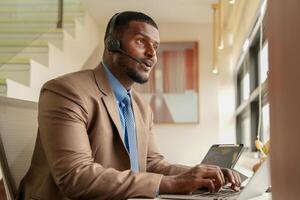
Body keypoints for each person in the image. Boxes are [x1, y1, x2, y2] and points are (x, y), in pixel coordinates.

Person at [17, 11, 240, 200]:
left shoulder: (142, 107)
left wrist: (201, 174)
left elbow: (152, 164)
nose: (152, 54)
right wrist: (171, 184)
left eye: (155, 46)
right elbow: (76, 176)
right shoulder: (66, 91)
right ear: (111, 44)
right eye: (141, 42)